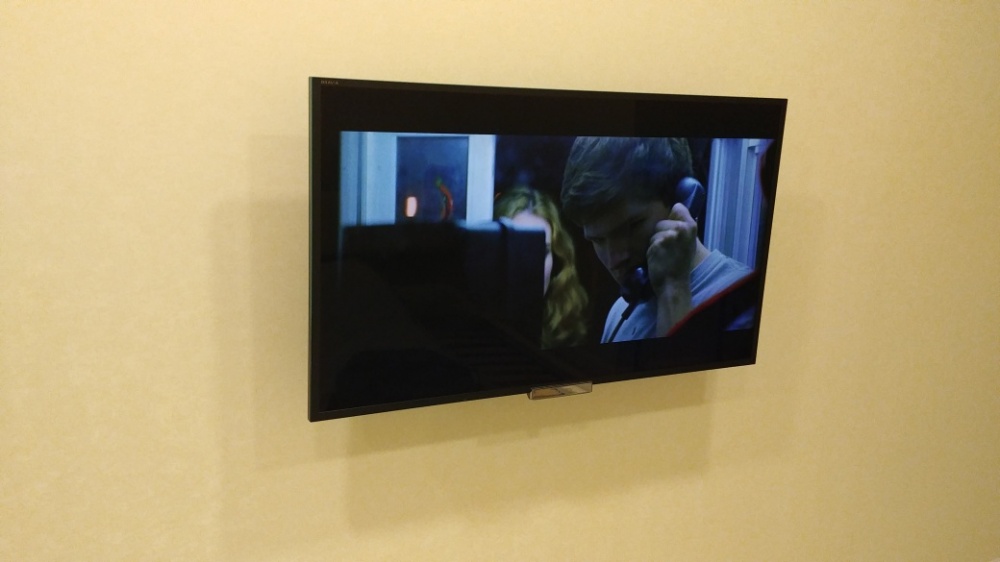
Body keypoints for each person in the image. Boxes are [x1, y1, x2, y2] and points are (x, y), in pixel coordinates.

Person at [560, 137, 753, 343]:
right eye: (598, 240)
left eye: (632, 227)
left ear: (681, 201)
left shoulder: (743, 303)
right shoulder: (620, 312)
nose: (614, 259)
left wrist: (673, 287)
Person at [494, 186, 589, 348]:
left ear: (555, 260)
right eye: (519, 250)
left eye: (542, 251)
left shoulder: (566, 331)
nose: (530, 265)